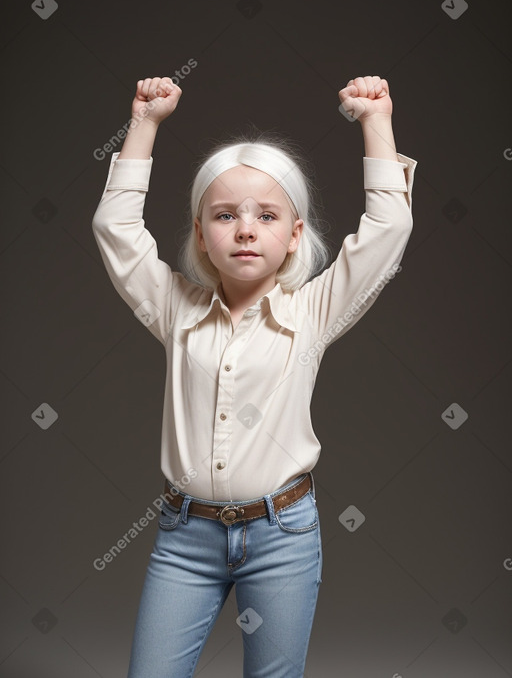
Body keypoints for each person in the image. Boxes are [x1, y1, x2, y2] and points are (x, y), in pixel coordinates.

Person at [92, 75, 417, 677]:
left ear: (294, 237)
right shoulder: (174, 307)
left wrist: (376, 121)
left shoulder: (313, 311)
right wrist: (144, 123)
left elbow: (388, 230)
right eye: (224, 215)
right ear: (200, 233)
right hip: (185, 538)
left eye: (267, 215)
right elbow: (116, 232)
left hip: (282, 536)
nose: (245, 228)